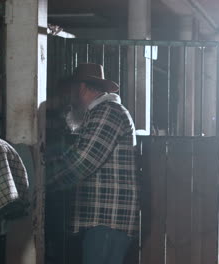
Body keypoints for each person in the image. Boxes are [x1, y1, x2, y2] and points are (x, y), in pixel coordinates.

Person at [46, 63, 139, 264]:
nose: (68, 97)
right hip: (100, 220)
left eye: (71, 90)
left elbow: (82, 161)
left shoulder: (108, 112)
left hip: (106, 220)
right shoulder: (98, 114)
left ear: (81, 88)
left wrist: (40, 181)